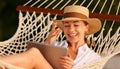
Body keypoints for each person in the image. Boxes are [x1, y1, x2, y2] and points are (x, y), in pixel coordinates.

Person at [0, 5, 102, 69]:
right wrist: (48, 43)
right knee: (33, 54)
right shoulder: (56, 45)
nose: (71, 30)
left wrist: (72, 67)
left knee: (34, 53)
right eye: (66, 25)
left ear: (86, 27)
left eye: (76, 25)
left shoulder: (94, 59)